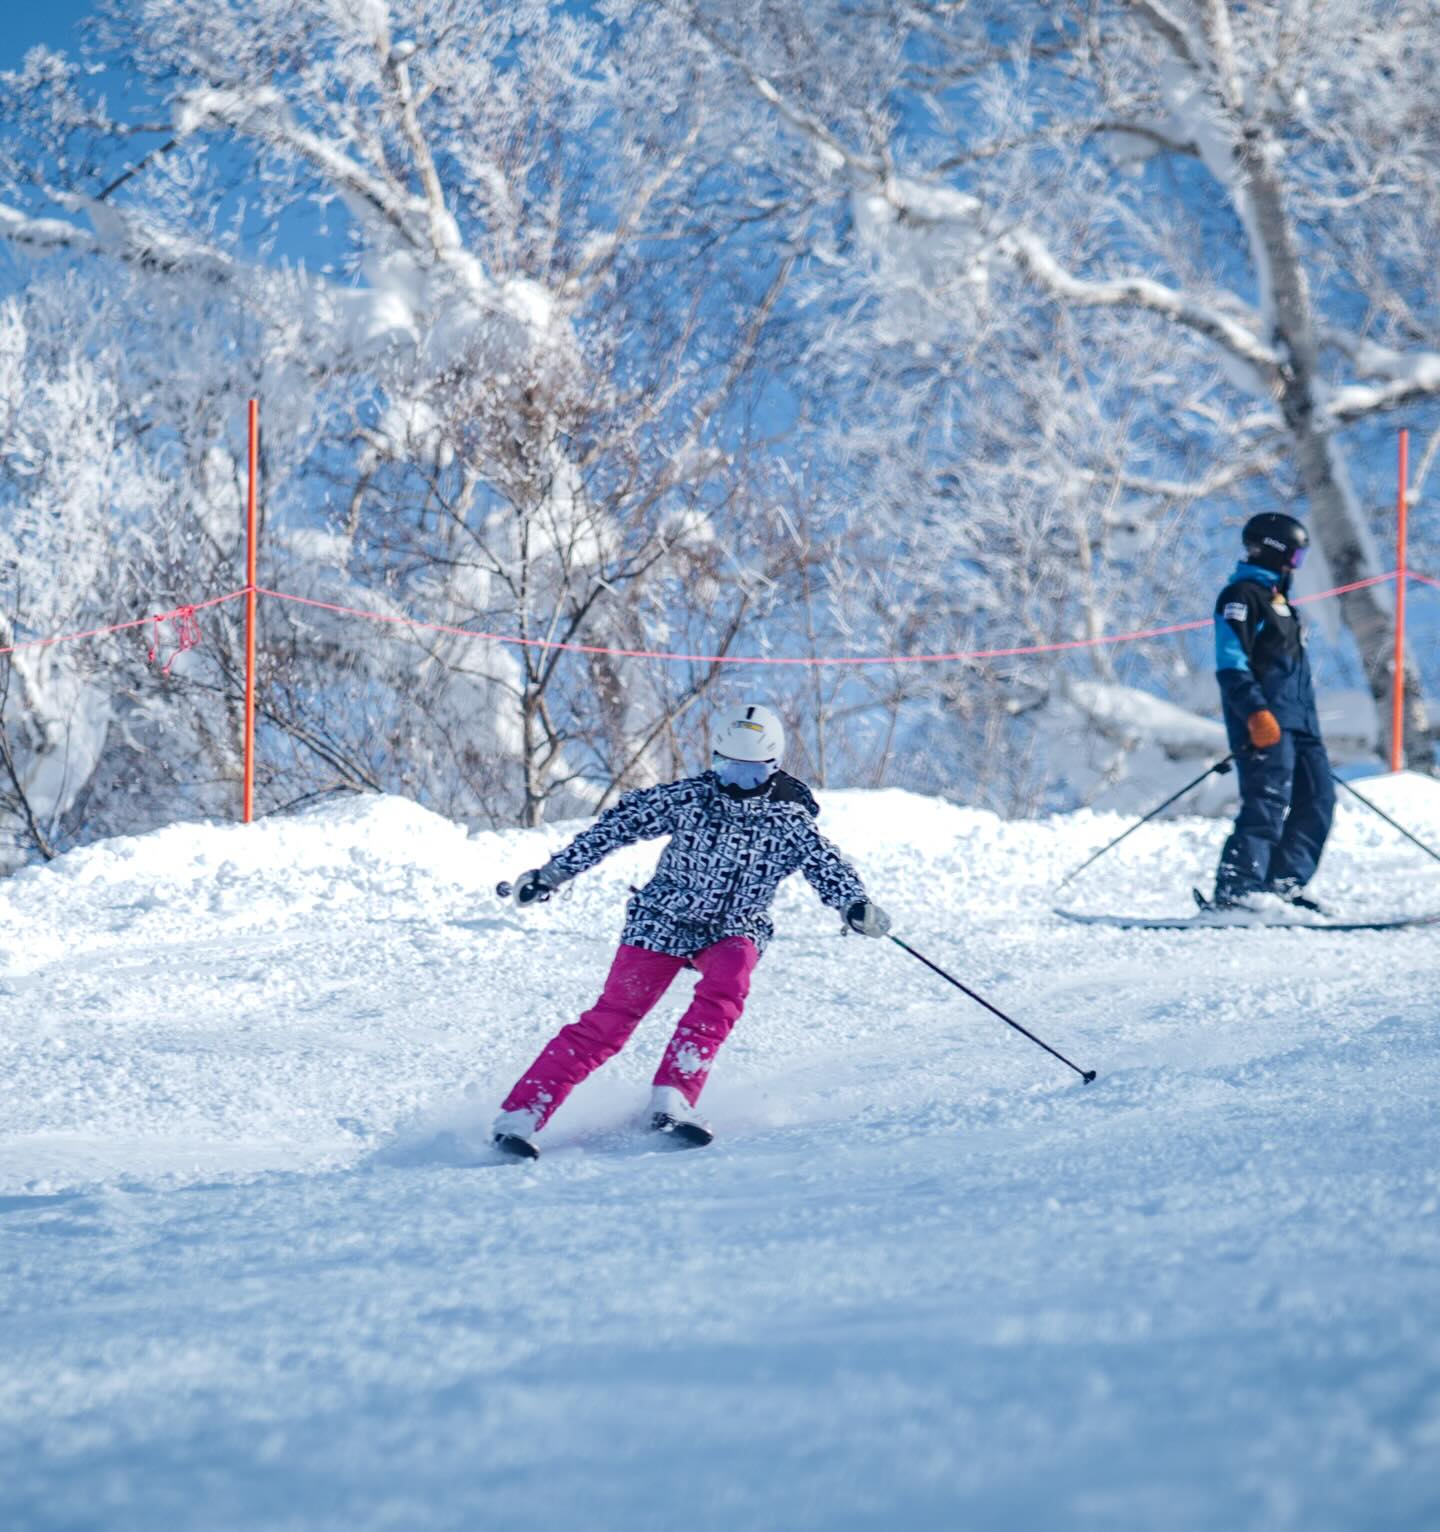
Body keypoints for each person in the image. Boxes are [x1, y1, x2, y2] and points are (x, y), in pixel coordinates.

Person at [491, 703, 890, 1158]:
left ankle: (674, 1098)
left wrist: (855, 904)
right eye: (727, 768)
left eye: (751, 775)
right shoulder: (690, 797)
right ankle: (521, 1114)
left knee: (728, 982)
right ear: (714, 759)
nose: (736, 784)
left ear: (773, 768)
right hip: (664, 917)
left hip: (735, 925)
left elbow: (827, 865)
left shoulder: (789, 820)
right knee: (611, 1019)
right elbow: (616, 827)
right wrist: (552, 874)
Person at [1211, 511, 1335, 911]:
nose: (1294, 566)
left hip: (1301, 725)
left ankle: (1284, 883)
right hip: (1265, 722)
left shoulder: (1282, 604)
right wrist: (1255, 713)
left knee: (1318, 798)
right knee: (1266, 801)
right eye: (1294, 557)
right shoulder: (1241, 597)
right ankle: (1238, 887)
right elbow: (1230, 663)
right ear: (1274, 551)